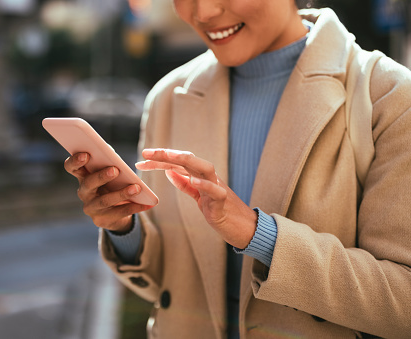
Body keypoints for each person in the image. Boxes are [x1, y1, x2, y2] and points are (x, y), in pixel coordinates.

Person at [64, 1, 411, 338]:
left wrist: (256, 234)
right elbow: (170, 287)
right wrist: (124, 227)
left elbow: (403, 301)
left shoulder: (389, 95)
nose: (203, 13)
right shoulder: (169, 98)